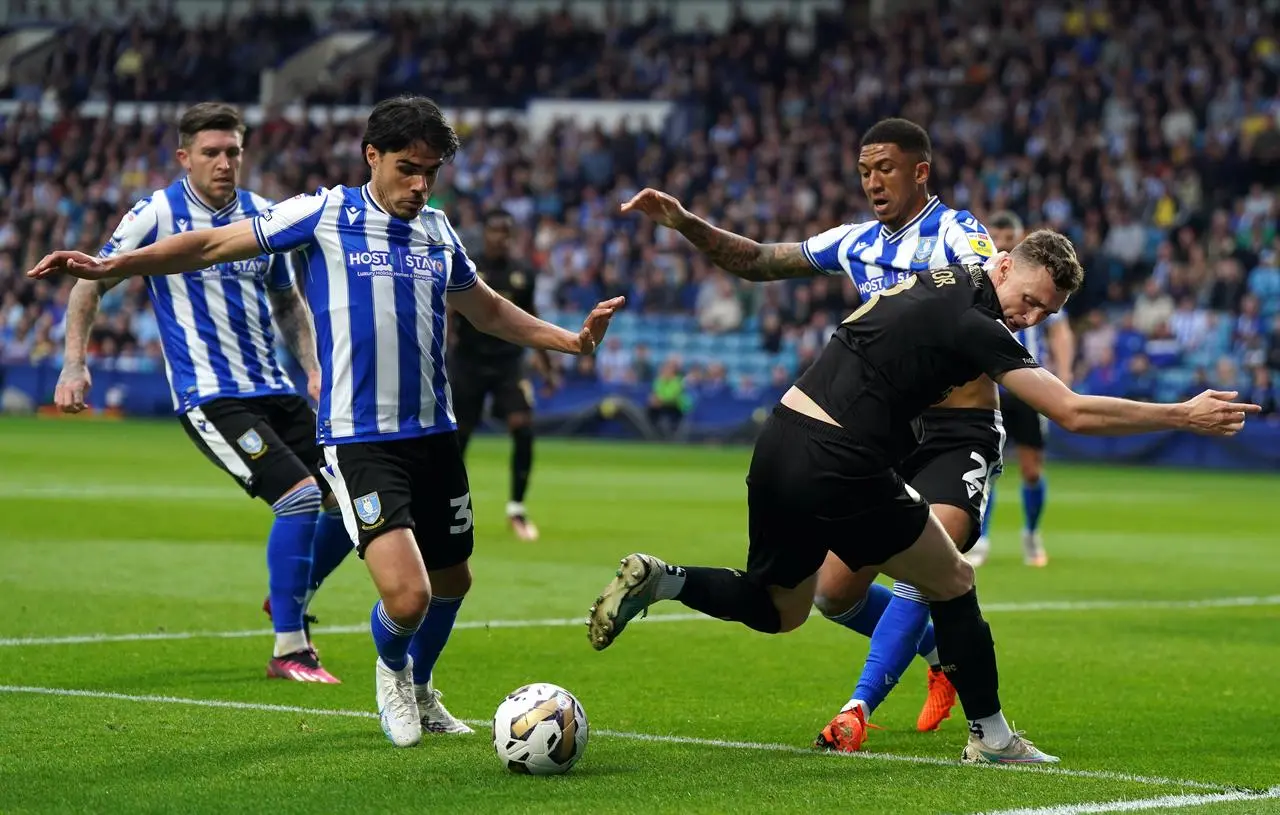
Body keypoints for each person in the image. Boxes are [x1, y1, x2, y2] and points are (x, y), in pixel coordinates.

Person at [28, 95, 624, 749]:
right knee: (408, 597)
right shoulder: (325, 213)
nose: (420, 183)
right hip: (360, 437)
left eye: (431, 171)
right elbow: (209, 243)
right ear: (373, 156)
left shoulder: (439, 231)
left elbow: (485, 309)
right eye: (408, 167)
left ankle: (423, 689)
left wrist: (570, 341)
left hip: (434, 434)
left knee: (456, 579)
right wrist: (114, 264)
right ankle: (391, 671)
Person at [586, 233, 1257, 765]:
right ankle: (992, 735)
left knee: (780, 606)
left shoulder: (943, 277)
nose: (1030, 316)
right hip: (841, 453)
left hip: (781, 438)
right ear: (1001, 268)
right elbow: (1073, 411)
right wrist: (1181, 414)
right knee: (953, 578)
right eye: (1029, 298)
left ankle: (666, 580)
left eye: (1046, 313)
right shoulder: (977, 320)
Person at [622, 118, 1002, 751]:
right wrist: (686, 222)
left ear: (920, 172)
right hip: (884, 433)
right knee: (832, 596)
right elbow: (759, 261)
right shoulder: (854, 241)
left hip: (958, 429)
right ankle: (938, 652)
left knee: (934, 566)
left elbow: (989, 298)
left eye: (885, 168)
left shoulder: (961, 235)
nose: (873, 181)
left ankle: (863, 708)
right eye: (864, 171)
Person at [55, 102, 350, 684]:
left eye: (233, 152)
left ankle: (294, 587)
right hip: (211, 396)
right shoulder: (157, 214)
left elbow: (287, 301)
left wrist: (314, 369)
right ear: (184, 157)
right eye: (211, 153)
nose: (224, 163)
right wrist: (73, 366)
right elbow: (89, 286)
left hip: (276, 387)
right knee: (296, 497)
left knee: (355, 491)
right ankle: (290, 648)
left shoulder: (262, 216)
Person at [968, 212, 1077, 568]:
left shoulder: (1037, 282)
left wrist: (1063, 372)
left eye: (1007, 235)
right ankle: (981, 538)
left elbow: (1060, 330)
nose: (1000, 241)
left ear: (1018, 239)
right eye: (995, 234)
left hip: (1029, 382)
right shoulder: (978, 278)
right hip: (992, 384)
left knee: (1031, 469)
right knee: (987, 465)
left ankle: (1031, 534)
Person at [448, 208, 555, 541]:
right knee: (458, 437)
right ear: (485, 232)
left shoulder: (522, 272)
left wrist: (545, 365)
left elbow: (529, 316)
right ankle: (448, 505)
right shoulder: (468, 265)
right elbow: (450, 310)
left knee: (523, 426)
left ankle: (517, 509)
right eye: (495, 231)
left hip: (508, 361)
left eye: (507, 232)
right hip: (468, 360)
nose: (501, 238)